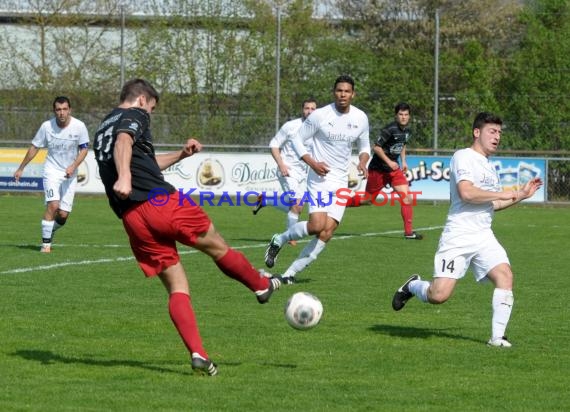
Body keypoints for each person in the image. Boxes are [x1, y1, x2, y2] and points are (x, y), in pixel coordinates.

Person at [93, 78, 281, 376]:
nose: (150, 114)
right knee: (217, 245)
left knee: (177, 287)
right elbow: (124, 142)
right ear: (142, 100)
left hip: (132, 218)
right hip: (160, 203)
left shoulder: (103, 125)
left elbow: (144, 159)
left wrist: (181, 155)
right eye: (152, 108)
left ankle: (199, 354)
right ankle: (261, 286)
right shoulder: (135, 114)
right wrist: (125, 177)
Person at [391, 112, 543, 348]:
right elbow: (467, 193)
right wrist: (505, 192)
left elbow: (493, 205)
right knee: (438, 296)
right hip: (459, 235)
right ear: (476, 132)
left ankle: (497, 338)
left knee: (505, 276)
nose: (497, 137)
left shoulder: (489, 167)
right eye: (492, 131)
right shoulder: (463, 156)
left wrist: (520, 195)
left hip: (484, 235)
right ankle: (412, 285)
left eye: (500, 133)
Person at [264, 74, 370, 284]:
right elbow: (297, 139)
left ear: (353, 94)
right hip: (320, 179)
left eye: (347, 91)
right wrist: (312, 163)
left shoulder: (360, 118)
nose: (343, 94)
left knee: (327, 232)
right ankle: (280, 239)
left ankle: (288, 274)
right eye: (339, 90)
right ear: (334, 93)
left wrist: (363, 161)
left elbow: (365, 146)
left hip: (340, 182)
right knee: (316, 225)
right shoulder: (320, 115)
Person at [13, 96, 90, 253]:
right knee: (53, 205)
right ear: (54, 111)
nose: (61, 113)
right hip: (52, 171)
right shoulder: (46, 126)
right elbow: (34, 147)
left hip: (70, 173)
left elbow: (84, 149)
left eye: (64, 109)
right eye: (58, 110)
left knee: (63, 215)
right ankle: (45, 245)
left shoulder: (79, 126)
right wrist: (21, 168)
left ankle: (51, 229)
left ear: (70, 110)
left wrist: (73, 166)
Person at [345, 102, 422, 239]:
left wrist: (403, 161)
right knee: (367, 200)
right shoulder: (390, 129)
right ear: (396, 115)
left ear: (409, 116)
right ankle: (338, 205)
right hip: (378, 170)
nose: (403, 117)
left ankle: (409, 233)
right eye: (400, 114)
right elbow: (377, 148)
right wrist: (389, 161)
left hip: (394, 171)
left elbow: (402, 145)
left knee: (407, 198)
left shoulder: (407, 131)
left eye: (406, 114)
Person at [253, 98, 318, 246]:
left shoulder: (318, 129)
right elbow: (274, 144)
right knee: (296, 205)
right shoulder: (291, 126)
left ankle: (265, 200)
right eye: (307, 108)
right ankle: (290, 236)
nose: (309, 111)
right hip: (287, 170)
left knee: (297, 206)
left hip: (303, 174)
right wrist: (281, 164)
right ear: (302, 110)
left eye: (313, 109)